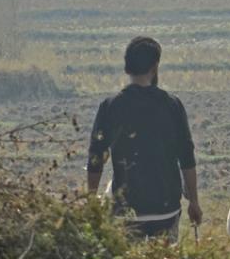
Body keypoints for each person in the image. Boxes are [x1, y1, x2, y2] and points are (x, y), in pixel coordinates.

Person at [86, 36, 202, 240]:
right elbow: (186, 157)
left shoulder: (111, 107)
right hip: (166, 210)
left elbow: (96, 158)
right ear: (155, 67)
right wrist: (193, 201)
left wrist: (91, 202)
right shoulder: (172, 105)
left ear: (127, 67)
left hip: (127, 212)